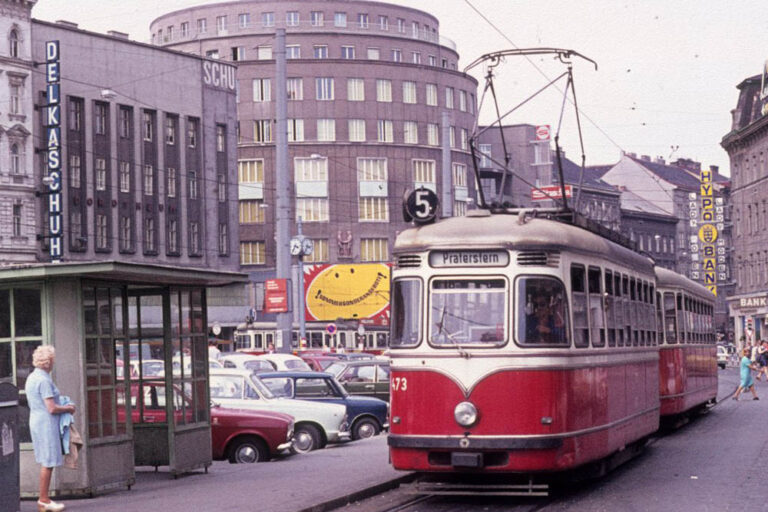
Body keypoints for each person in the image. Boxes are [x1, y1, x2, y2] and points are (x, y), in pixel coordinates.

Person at [25, 345, 76, 512]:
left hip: (36, 420)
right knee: (48, 462)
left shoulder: (32, 377)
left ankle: (44, 499)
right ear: (49, 362)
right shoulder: (44, 380)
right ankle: (44, 500)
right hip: (46, 423)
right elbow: (52, 408)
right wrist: (68, 408)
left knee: (46, 460)